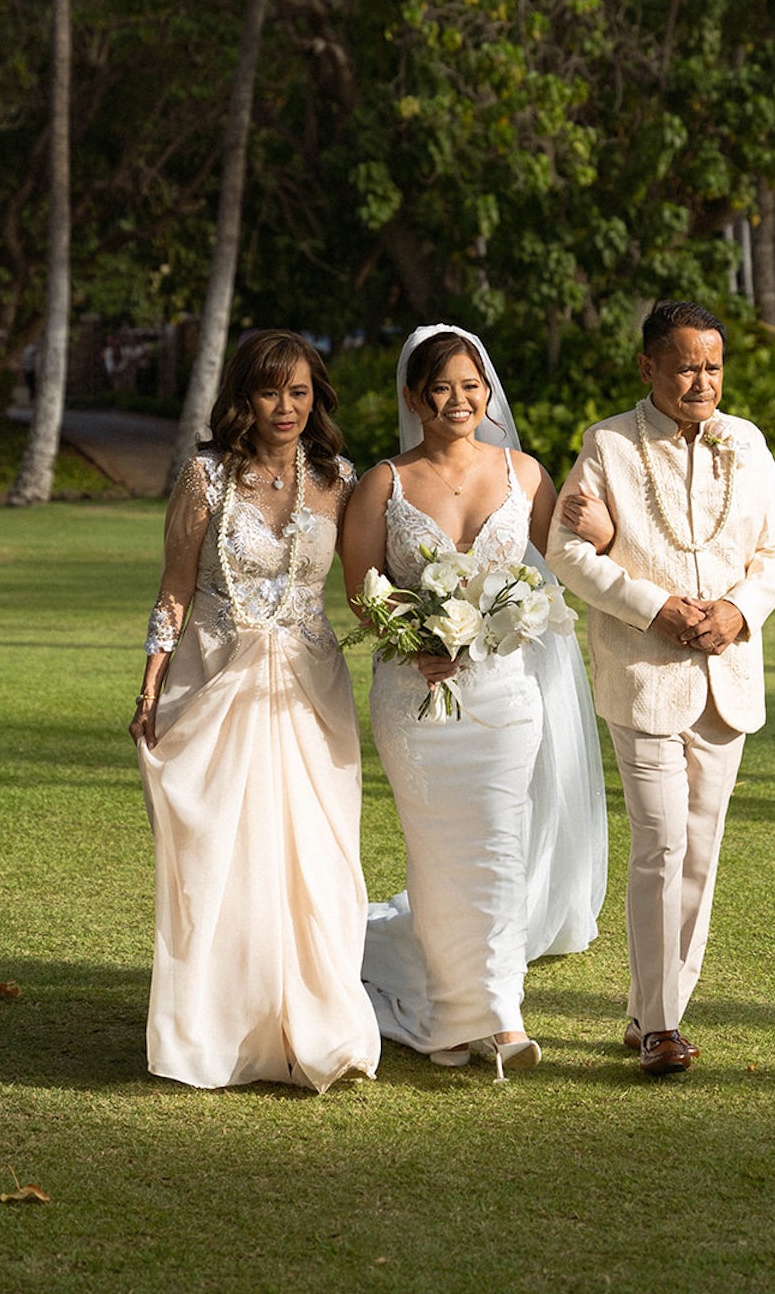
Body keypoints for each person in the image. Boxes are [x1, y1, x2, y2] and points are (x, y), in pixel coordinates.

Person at [341, 325, 608, 1080]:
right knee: (436, 857)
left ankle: (497, 1015)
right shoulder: (383, 484)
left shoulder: (523, 472)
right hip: (414, 698)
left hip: (503, 696)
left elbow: (563, 561)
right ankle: (447, 1013)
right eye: (441, 388)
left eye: (471, 386)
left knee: (498, 849)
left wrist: (606, 529)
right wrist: (411, 634)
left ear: (488, 393)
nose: (458, 401)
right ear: (413, 397)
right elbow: (363, 592)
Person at [548, 301, 775, 1077]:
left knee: (700, 848)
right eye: (687, 365)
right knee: (659, 841)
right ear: (649, 368)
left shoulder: (747, 442)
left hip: (727, 678)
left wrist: (738, 612)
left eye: (713, 366)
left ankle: (654, 1011)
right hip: (643, 676)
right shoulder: (608, 445)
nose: (702, 381)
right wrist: (653, 608)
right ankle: (659, 1027)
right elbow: (565, 551)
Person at [130, 329, 380, 1093]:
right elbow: (175, 587)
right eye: (271, 391)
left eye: (300, 392)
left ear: (316, 397)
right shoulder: (205, 478)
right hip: (214, 678)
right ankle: (218, 1027)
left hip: (309, 690)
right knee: (220, 858)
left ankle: (315, 1020)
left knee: (314, 856)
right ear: (244, 396)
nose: (286, 407)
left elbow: (366, 591)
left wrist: (433, 630)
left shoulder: (339, 478)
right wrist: (148, 685)